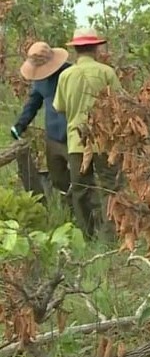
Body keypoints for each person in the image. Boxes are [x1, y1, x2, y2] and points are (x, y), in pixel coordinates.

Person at [52, 27, 123, 241]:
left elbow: (59, 107)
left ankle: (89, 236)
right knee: (112, 187)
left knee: (81, 190)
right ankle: (112, 235)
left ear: (76, 50)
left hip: (77, 142)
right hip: (105, 141)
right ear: (95, 48)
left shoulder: (65, 75)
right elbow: (120, 105)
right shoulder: (106, 72)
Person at [10, 42, 72, 198]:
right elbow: (33, 103)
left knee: (81, 177)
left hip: (74, 133)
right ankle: (70, 208)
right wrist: (20, 124)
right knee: (58, 178)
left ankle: (89, 214)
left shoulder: (70, 73)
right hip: (53, 136)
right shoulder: (40, 81)